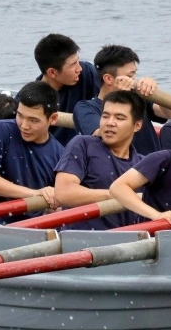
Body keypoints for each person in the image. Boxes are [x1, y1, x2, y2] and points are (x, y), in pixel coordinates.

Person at [0, 82, 64, 224]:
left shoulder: (60, 154)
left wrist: (54, 205)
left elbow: (59, 201)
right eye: (20, 116)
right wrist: (33, 194)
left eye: (33, 120)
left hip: (32, 229)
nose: (24, 125)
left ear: (53, 119)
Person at [54, 91, 145, 230]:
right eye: (105, 116)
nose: (110, 123)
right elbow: (63, 193)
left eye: (119, 118)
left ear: (137, 125)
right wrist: (115, 194)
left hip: (129, 242)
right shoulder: (83, 145)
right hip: (81, 242)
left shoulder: (143, 164)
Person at [72, 45, 171, 155]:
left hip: (153, 166)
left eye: (134, 74)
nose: (134, 80)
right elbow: (102, 134)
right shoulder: (85, 108)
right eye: (129, 76)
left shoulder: (137, 97)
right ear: (108, 79)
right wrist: (120, 99)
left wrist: (155, 92)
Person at [33, 33, 99, 145]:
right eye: (73, 64)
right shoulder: (30, 99)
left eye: (78, 61)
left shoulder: (86, 72)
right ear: (52, 72)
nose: (79, 68)